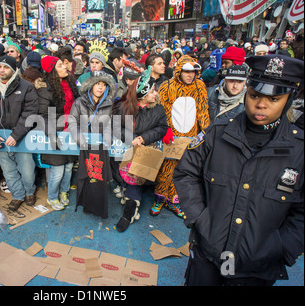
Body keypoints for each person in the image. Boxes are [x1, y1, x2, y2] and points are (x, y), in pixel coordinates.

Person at [173, 54, 304, 286]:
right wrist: (201, 220)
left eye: (273, 99)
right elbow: (186, 173)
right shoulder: (218, 133)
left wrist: (282, 247)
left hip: (257, 266)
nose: (261, 104)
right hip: (208, 255)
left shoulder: (299, 150)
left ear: (289, 99)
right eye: (254, 96)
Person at [0, 55, 39, 211]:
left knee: (27, 170)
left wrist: (16, 134)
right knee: (8, 171)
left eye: (6, 67)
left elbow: (30, 112)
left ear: (14, 70)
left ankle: (29, 191)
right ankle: (18, 195)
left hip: (21, 136)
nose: (2, 70)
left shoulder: (26, 87)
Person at [151, 55, 210, 218]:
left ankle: (174, 201)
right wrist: (165, 128)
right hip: (171, 136)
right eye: (186, 71)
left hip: (191, 137)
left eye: (193, 72)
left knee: (183, 171)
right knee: (165, 170)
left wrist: (205, 130)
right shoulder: (167, 86)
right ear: (179, 71)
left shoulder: (200, 86)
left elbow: (203, 109)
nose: (190, 75)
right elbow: (160, 110)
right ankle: (159, 199)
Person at [113, 67, 169, 232]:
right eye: (152, 91)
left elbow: (162, 127)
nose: (155, 94)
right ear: (143, 96)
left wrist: (144, 138)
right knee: (124, 178)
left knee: (134, 181)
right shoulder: (123, 107)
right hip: (125, 149)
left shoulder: (158, 108)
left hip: (145, 151)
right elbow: (116, 127)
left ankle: (129, 213)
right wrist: (131, 139)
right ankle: (127, 195)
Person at [68, 71, 115, 219]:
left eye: (103, 85)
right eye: (97, 84)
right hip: (84, 146)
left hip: (100, 147)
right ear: (90, 86)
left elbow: (108, 123)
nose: (100, 88)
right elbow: (72, 122)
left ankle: (98, 207)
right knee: (85, 176)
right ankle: (86, 204)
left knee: (99, 177)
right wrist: (81, 140)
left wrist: (107, 137)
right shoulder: (79, 102)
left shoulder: (109, 103)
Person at [36, 55, 79, 210]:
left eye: (64, 64)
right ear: (52, 71)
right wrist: (52, 135)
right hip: (55, 133)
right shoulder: (45, 89)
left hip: (71, 131)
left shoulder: (71, 83)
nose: (65, 67)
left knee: (68, 167)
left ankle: (64, 192)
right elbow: (42, 116)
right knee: (58, 170)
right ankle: (52, 197)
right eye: (60, 66)